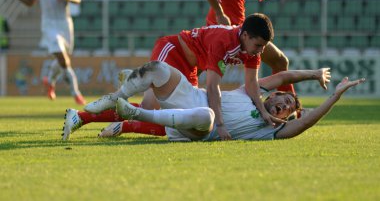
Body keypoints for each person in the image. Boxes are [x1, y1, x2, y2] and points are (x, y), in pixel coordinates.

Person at [85, 13, 281, 140]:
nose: (261, 51)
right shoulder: (223, 41)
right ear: (245, 35)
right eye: (258, 45)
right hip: (172, 51)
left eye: (264, 46)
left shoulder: (252, 50)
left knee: (179, 122)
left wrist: (264, 112)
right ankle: (85, 115)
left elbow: (252, 84)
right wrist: (220, 124)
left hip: (189, 67)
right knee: (149, 109)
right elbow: (213, 87)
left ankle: (136, 85)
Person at [62, 61, 364, 141]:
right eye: (282, 99)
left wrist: (335, 97)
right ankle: (113, 102)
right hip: (190, 98)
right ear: (271, 95)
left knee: (206, 115)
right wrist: (313, 75)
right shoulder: (252, 91)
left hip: (196, 126)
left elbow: (307, 122)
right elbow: (283, 76)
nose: (283, 105)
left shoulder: (272, 132)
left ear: (286, 118)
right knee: (159, 70)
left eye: (287, 108)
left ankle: (129, 116)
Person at [198, 0, 295, 95]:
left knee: (280, 62)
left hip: (238, 26)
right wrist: (219, 13)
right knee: (280, 61)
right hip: (227, 27)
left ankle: (292, 110)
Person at [4, 0, 86, 105]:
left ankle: (49, 80)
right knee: (63, 59)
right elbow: (30, 2)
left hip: (65, 24)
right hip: (49, 25)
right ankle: (76, 93)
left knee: (64, 58)